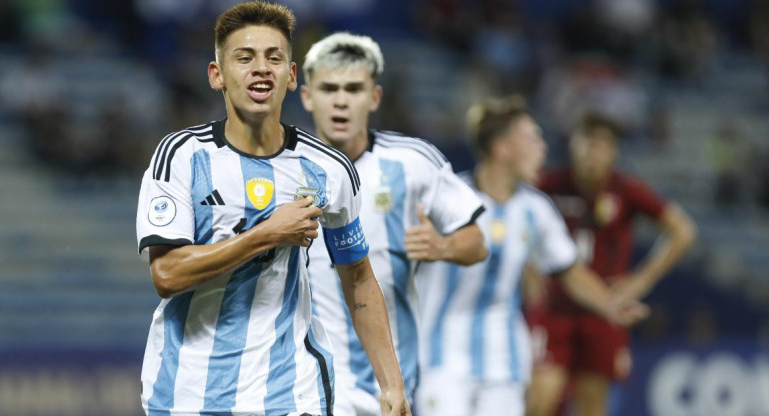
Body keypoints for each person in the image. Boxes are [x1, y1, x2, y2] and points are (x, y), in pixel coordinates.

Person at [135, 4, 411, 416]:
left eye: (274, 57)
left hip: (290, 389)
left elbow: (358, 278)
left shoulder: (329, 170)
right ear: (217, 76)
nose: (261, 68)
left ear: (292, 75)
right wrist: (266, 233)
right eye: (244, 58)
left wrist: (391, 383)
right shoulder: (181, 156)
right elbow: (167, 273)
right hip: (187, 388)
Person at [415, 96, 649, 416]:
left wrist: (611, 304)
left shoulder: (535, 209)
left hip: (505, 365)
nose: (543, 148)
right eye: (533, 138)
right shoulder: (444, 198)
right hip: (443, 362)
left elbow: (569, 270)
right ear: (503, 149)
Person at [299, 32, 488, 415]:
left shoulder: (414, 161)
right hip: (304, 381)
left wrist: (444, 246)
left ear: (374, 97)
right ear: (307, 96)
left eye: (353, 88)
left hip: (389, 383)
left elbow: (477, 242)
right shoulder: (283, 168)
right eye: (328, 88)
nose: (340, 100)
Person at [525, 112, 697, 416]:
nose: (593, 153)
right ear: (573, 146)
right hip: (553, 309)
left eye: (602, 145)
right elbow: (512, 217)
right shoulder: (549, 185)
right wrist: (527, 268)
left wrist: (642, 280)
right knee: (540, 400)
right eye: (587, 144)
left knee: (592, 405)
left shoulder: (625, 190)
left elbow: (683, 231)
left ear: (614, 151)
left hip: (603, 311)